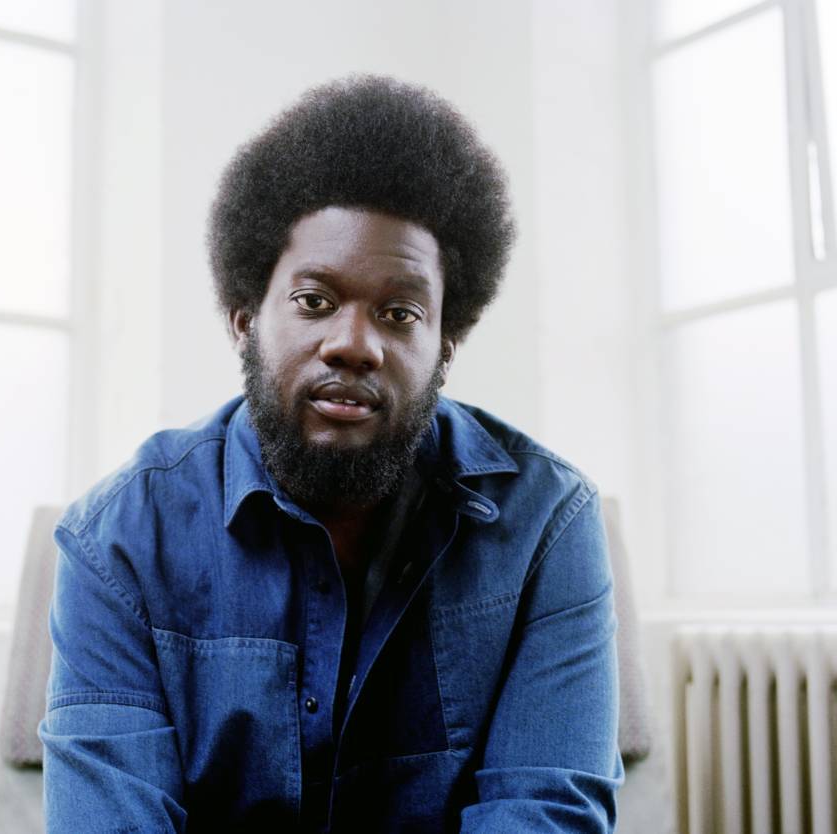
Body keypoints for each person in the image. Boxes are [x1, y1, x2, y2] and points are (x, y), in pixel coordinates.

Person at [40, 74, 623, 832]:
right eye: (314, 301)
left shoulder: (548, 523)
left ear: (446, 346)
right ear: (244, 318)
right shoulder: (117, 541)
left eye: (400, 312)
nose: (353, 344)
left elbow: (544, 811)